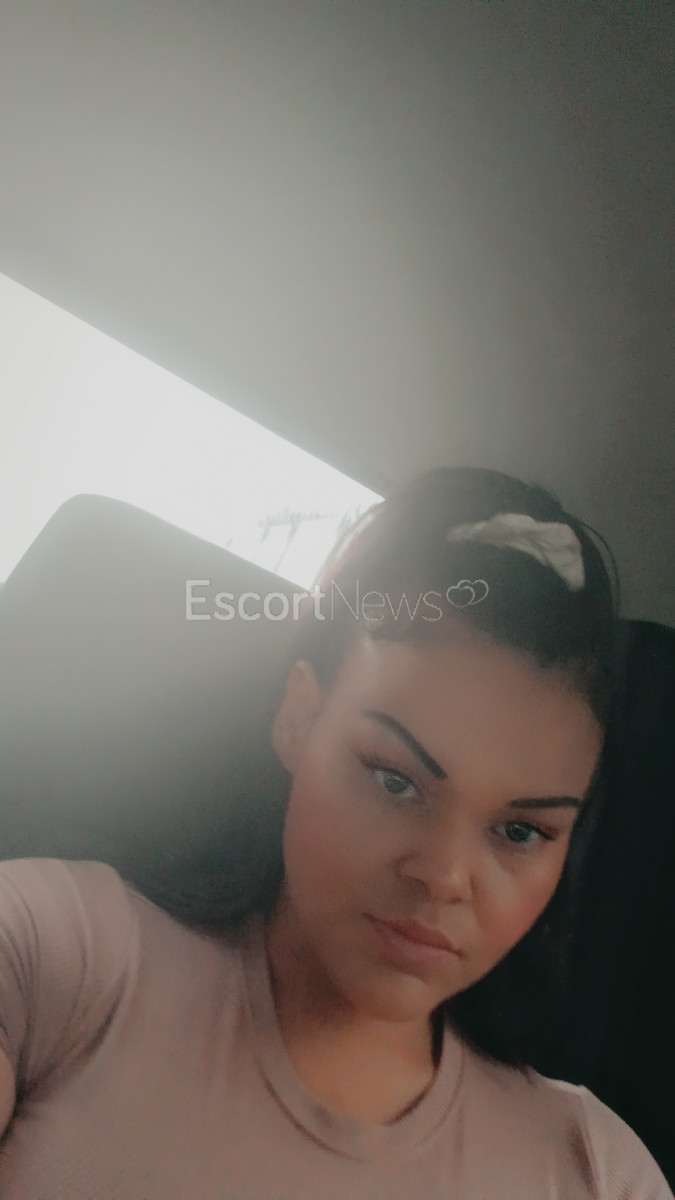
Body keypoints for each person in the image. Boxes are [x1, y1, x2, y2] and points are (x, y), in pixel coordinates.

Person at [0, 465, 671, 1199]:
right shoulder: (51, 953)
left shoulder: (597, 1172)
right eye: (395, 781)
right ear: (300, 718)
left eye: (518, 832)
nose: (444, 875)